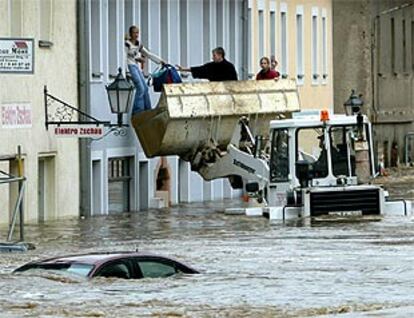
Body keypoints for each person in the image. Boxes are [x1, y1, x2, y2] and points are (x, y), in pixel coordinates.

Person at [125, 25, 166, 114]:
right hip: (130, 66)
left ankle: (148, 110)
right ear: (130, 34)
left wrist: (160, 61)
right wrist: (137, 59)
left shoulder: (138, 44)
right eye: (134, 33)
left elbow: (148, 54)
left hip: (136, 67)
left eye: (137, 33)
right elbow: (127, 56)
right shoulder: (127, 44)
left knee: (145, 88)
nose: (136, 35)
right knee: (140, 88)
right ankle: (137, 111)